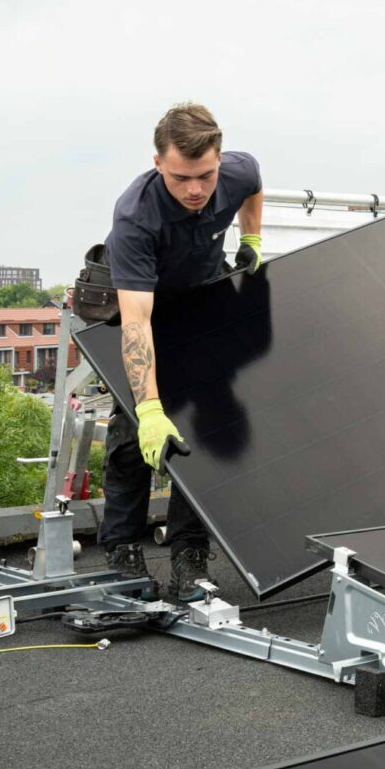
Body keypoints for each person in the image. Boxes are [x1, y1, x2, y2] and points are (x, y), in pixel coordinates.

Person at [98, 103, 264, 601]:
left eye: (205, 176)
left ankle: (189, 558)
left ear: (218, 161)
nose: (195, 189)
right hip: (142, 308)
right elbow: (136, 321)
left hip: (202, 306)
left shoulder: (236, 172)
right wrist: (149, 407)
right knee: (133, 433)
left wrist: (251, 236)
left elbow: (254, 185)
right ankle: (123, 550)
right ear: (158, 163)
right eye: (181, 178)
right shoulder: (136, 219)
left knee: (204, 433)